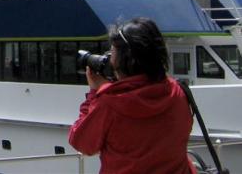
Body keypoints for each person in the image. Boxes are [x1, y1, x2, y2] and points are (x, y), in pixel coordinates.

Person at [68, 17, 197, 174]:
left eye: (112, 52)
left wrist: (94, 93)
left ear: (124, 60)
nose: (109, 58)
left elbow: (82, 143)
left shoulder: (109, 103)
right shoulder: (178, 93)